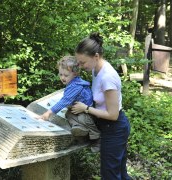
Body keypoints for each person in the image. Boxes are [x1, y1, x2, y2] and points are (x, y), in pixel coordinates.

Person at [72, 32, 131, 179]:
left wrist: (85, 108)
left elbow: (113, 114)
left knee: (109, 174)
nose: (80, 65)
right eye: (78, 62)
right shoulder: (95, 69)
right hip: (108, 126)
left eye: (82, 62)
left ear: (96, 56)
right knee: (120, 173)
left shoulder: (107, 77)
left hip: (115, 128)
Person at [38, 56, 100, 152]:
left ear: (75, 74)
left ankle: (96, 138)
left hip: (88, 112)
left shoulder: (76, 86)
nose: (62, 77)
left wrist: (48, 113)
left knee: (83, 119)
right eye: (60, 74)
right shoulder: (73, 82)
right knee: (68, 114)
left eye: (66, 75)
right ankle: (79, 128)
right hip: (77, 109)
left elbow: (64, 101)